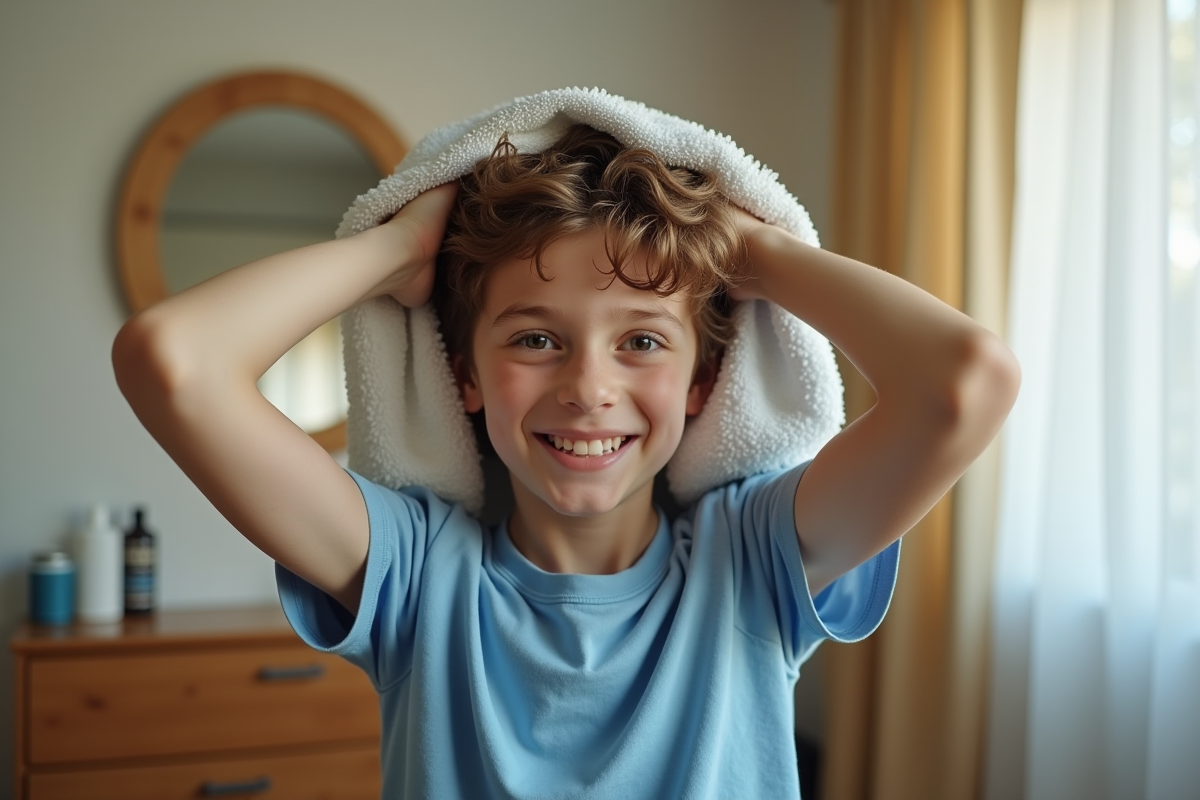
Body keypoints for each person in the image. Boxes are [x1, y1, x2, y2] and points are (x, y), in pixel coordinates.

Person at [113, 116, 1020, 798]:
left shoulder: (754, 562)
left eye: (643, 343)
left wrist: (750, 249)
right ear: (463, 374)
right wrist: (396, 250)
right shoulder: (414, 573)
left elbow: (967, 384)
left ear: (703, 384)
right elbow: (172, 362)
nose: (589, 387)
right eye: (537, 340)